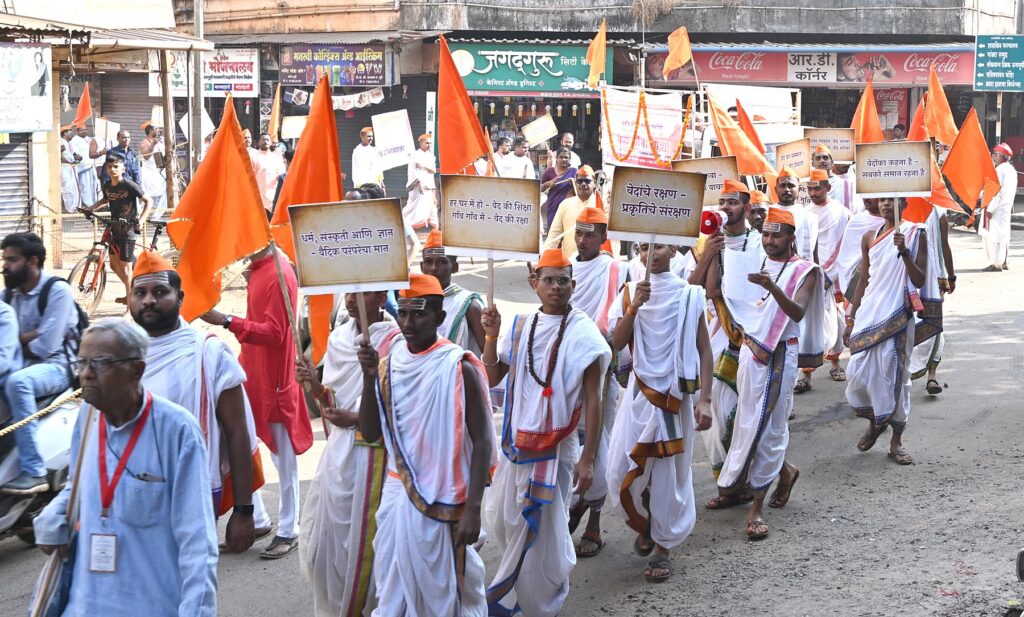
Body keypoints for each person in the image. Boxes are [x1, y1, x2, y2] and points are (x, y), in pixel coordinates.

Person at [32, 319, 217, 616]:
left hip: (150, 606)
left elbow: (197, 543)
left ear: (136, 371)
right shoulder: (88, 417)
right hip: (83, 607)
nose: (87, 374)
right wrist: (51, 519)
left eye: (101, 363)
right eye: (82, 362)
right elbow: (76, 488)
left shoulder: (177, 430)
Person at [480, 249, 610, 616]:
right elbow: (492, 378)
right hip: (516, 446)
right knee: (507, 525)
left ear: (573, 284)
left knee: (548, 537)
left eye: (563, 280)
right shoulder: (521, 326)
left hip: (557, 449)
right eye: (549, 280)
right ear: (533, 284)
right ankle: (522, 597)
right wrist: (490, 336)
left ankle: (542, 605)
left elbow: (593, 398)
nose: (556, 287)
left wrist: (587, 459)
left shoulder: (583, 331)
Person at [356, 274, 495, 616]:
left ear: (439, 317)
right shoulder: (387, 365)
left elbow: (483, 441)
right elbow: (372, 433)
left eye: (418, 314)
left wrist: (474, 508)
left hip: (444, 500)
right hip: (397, 497)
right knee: (392, 592)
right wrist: (369, 376)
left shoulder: (457, 366)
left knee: (445, 596)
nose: (407, 322)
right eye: (402, 313)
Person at [128, 251, 270, 554]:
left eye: (159, 292)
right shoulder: (118, 353)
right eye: (140, 292)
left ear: (180, 298)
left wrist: (244, 512)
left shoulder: (209, 353)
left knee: (190, 596)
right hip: (132, 503)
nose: (148, 300)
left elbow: (237, 432)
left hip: (191, 503)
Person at [713, 207, 825, 540]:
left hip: (781, 353)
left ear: (792, 237)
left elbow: (798, 311)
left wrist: (773, 288)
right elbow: (723, 294)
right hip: (751, 349)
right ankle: (786, 471)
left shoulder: (805, 271)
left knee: (772, 427)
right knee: (749, 421)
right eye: (766, 234)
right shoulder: (753, 262)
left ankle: (756, 508)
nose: (770, 240)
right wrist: (714, 256)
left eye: (777, 235)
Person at [606, 241, 713, 582]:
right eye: (643, 248)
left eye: (660, 247)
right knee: (618, 469)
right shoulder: (629, 292)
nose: (650, 254)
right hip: (639, 394)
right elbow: (617, 344)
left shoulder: (688, 295)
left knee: (669, 476)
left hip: (674, 397)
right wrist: (634, 307)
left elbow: (704, 350)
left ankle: (663, 546)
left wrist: (705, 399)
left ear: (674, 252)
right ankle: (647, 523)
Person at [199, 246, 313, 559]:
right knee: (242, 448)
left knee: (283, 459)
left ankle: (290, 529)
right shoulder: (260, 269)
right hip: (252, 374)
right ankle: (258, 517)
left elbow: (275, 333)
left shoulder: (278, 272)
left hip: (275, 381)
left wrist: (226, 320)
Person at [297, 291, 401, 617]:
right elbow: (333, 402)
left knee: (371, 549)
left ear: (382, 298)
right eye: (350, 294)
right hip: (339, 456)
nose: (353, 299)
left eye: (364, 293)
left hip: (377, 459)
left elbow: (402, 411)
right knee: (323, 550)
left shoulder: (395, 342)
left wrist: (355, 419)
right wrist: (314, 384)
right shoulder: (339, 337)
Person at [688, 180, 763, 483]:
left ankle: (748, 477)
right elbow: (706, 290)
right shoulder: (705, 243)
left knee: (746, 411)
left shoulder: (759, 242)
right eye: (722, 203)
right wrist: (710, 252)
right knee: (717, 407)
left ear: (746, 207)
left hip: (752, 334)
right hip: (719, 332)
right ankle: (728, 479)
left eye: (732, 202)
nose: (726, 208)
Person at [844, 197, 928, 466]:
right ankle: (875, 422)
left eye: (890, 201)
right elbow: (864, 279)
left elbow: (920, 279)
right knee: (857, 373)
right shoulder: (869, 236)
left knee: (896, 376)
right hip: (870, 312)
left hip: (897, 315)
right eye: (881, 200)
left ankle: (896, 440)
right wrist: (851, 316)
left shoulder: (916, 233)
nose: (884, 205)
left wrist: (904, 252)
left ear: (902, 203)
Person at [565, 207, 628, 559]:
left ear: (604, 237)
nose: (583, 240)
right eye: (579, 232)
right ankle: (572, 504)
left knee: (597, 438)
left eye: (591, 234)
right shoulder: (564, 269)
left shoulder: (615, 268)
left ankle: (594, 522)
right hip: (567, 366)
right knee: (568, 436)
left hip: (600, 366)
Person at [0, 233, 79, 495]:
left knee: (17, 382)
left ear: (32, 261)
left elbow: (47, 346)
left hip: (58, 367)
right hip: (23, 362)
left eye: (12, 260)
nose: (5, 266)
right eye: (4, 259)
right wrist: (30, 335)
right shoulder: (8, 295)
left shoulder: (57, 290)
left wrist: (18, 338)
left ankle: (33, 471)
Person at [794, 169, 850, 393]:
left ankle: (835, 363)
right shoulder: (804, 214)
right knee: (807, 325)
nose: (814, 192)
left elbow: (846, 245)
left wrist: (831, 274)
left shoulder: (841, 212)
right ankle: (805, 373)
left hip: (833, 275)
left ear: (828, 187)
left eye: (818, 187)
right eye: (810, 188)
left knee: (835, 319)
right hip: (810, 275)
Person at [82, 153, 153, 303]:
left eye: (116, 166)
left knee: (126, 270)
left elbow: (149, 201)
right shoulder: (107, 185)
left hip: (128, 229)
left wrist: (141, 220)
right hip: (114, 228)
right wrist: (91, 208)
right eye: (109, 167)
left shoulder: (129, 185)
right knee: (114, 265)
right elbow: (105, 199)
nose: (112, 169)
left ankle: (131, 306)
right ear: (106, 169)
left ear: (123, 168)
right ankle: (133, 291)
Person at [909, 205, 955, 396]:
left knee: (934, 328)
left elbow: (944, 245)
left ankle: (932, 375)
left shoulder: (939, 212)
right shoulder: (903, 208)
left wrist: (951, 276)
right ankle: (903, 373)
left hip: (935, 277)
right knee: (907, 326)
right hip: (908, 276)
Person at [418, 229, 485, 355]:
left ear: (455, 267)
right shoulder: (414, 302)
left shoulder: (469, 306)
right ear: (422, 267)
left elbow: (488, 355)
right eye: (428, 262)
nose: (433, 268)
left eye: (442, 262)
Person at [544, 165, 604, 259]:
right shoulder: (565, 205)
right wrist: (544, 260)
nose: (583, 184)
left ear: (594, 183)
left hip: (595, 264)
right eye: (579, 181)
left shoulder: (601, 205)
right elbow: (553, 237)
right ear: (575, 183)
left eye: (587, 181)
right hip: (569, 264)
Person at [837, 197, 885, 301]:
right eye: (865, 194)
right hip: (858, 282)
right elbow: (846, 258)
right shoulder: (856, 221)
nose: (867, 198)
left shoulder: (895, 224)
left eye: (872, 195)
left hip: (885, 286)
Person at [981, 142, 1017, 272]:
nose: (993, 156)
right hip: (1006, 207)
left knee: (995, 236)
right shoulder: (1011, 169)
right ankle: (1004, 261)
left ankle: (996, 263)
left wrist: (990, 209)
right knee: (1004, 234)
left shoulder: (999, 170)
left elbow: (996, 192)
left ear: (1001, 156)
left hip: (998, 208)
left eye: (995, 154)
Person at [774, 167, 818, 261]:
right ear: (775, 189)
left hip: (803, 269)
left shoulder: (809, 216)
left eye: (791, 185)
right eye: (782, 186)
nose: (786, 189)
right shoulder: (769, 213)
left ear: (799, 189)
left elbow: (814, 251)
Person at [540, 147, 578, 232]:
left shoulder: (574, 172)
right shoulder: (549, 172)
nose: (563, 159)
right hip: (553, 207)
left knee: (567, 234)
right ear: (556, 158)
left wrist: (574, 184)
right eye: (561, 157)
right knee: (552, 233)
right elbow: (539, 188)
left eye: (566, 157)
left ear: (570, 159)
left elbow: (581, 190)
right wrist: (547, 184)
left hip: (569, 209)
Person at [405, 133, 438, 230]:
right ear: (421, 143)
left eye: (430, 143)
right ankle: (404, 223)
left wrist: (423, 166)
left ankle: (435, 233)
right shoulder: (414, 155)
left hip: (429, 187)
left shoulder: (431, 156)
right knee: (411, 209)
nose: (429, 145)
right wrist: (419, 185)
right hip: (417, 188)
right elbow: (412, 172)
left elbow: (433, 171)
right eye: (427, 143)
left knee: (433, 208)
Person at [252, 132, 287, 217]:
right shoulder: (253, 156)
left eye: (268, 140)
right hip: (258, 196)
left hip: (273, 197)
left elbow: (282, 176)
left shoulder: (276, 158)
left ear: (271, 142)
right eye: (263, 139)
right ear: (258, 142)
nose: (266, 141)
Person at [138, 122, 167, 215]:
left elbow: (160, 157)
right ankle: (143, 215)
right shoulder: (144, 143)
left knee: (163, 193)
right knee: (147, 196)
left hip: (159, 172)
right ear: (151, 130)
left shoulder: (159, 141)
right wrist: (153, 145)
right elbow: (146, 157)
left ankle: (157, 215)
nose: (159, 131)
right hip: (148, 174)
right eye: (156, 129)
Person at [71, 125, 101, 205]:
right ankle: (87, 204)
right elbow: (75, 154)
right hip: (83, 167)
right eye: (82, 130)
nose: (85, 131)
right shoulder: (75, 140)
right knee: (84, 186)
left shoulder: (88, 139)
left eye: (86, 130)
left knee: (93, 186)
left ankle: (93, 203)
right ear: (77, 131)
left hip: (92, 166)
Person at [59, 125, 82, 211]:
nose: (72, 134)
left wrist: (77, 157)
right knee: (67, 188)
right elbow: (67, 157)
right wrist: (74, 157)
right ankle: (69, 208)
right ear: (65, 133)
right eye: (70, 132)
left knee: (75, 187)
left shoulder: (70, 143)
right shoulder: (60, 142)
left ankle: (76, 207)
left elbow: (75, 155)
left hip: (72, 167)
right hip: (65, 168)